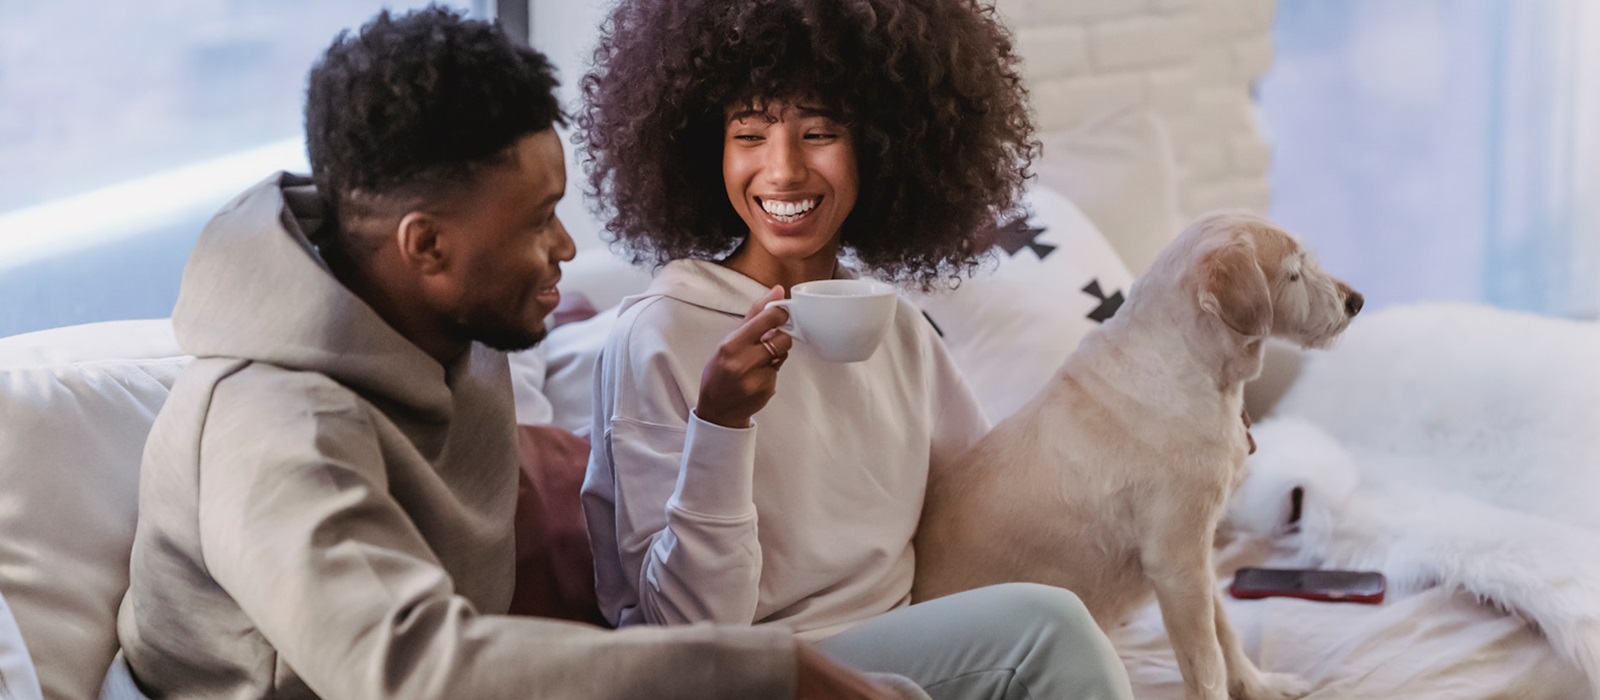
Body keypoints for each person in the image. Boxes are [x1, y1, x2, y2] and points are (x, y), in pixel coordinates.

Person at [115, 7, 908, 699]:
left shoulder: (446, 328)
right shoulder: (274, 433)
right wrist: (764, 674)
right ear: (425, 245)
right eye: (538, 221)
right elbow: (417, 673)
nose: (565, 246)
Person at [579, 0, 1137, 698]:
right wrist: (720, 423)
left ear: (881, 142)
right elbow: (689, 629)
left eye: (818, 132)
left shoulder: (895, 327)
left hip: (904, 658)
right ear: (704, 148)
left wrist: (1165, 432)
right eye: (748, 133)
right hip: (753, 674)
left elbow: (988, 513)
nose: (781, 171)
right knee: (1047, 629)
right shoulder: (661, 333)